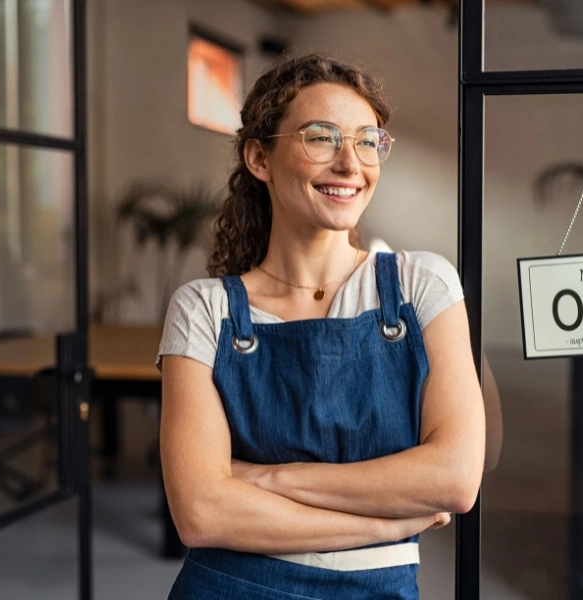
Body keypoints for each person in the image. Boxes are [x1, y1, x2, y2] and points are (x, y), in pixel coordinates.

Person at [156, 52, 486, 600]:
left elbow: (453, 478)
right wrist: (386, 524)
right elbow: (201, 513)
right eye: (321, 138)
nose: (350, 164)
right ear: (259, 157)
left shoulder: (422, 285)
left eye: (367, 141)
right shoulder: (203, 309)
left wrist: (266, 478)